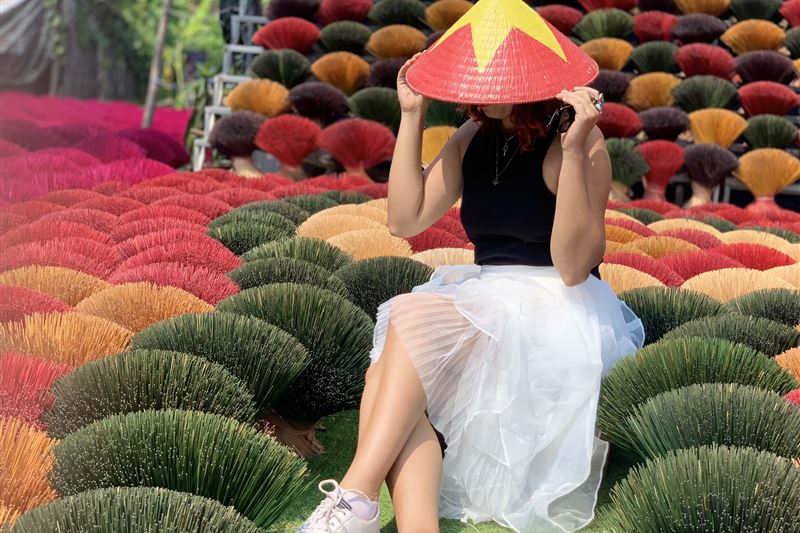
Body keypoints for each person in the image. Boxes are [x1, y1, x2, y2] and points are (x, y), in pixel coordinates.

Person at [295, 1, 645, 531]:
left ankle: (355, 495)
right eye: (476, 78)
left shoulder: (579, 141)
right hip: (489, 296)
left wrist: (573, 154)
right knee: (386, 377)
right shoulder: (473, 137)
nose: (482, 90)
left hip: (557, 306)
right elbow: (405, 220)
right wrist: (410, 116)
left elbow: (574, 267)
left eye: (496, 78)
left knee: (410, 320)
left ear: (532, 79)